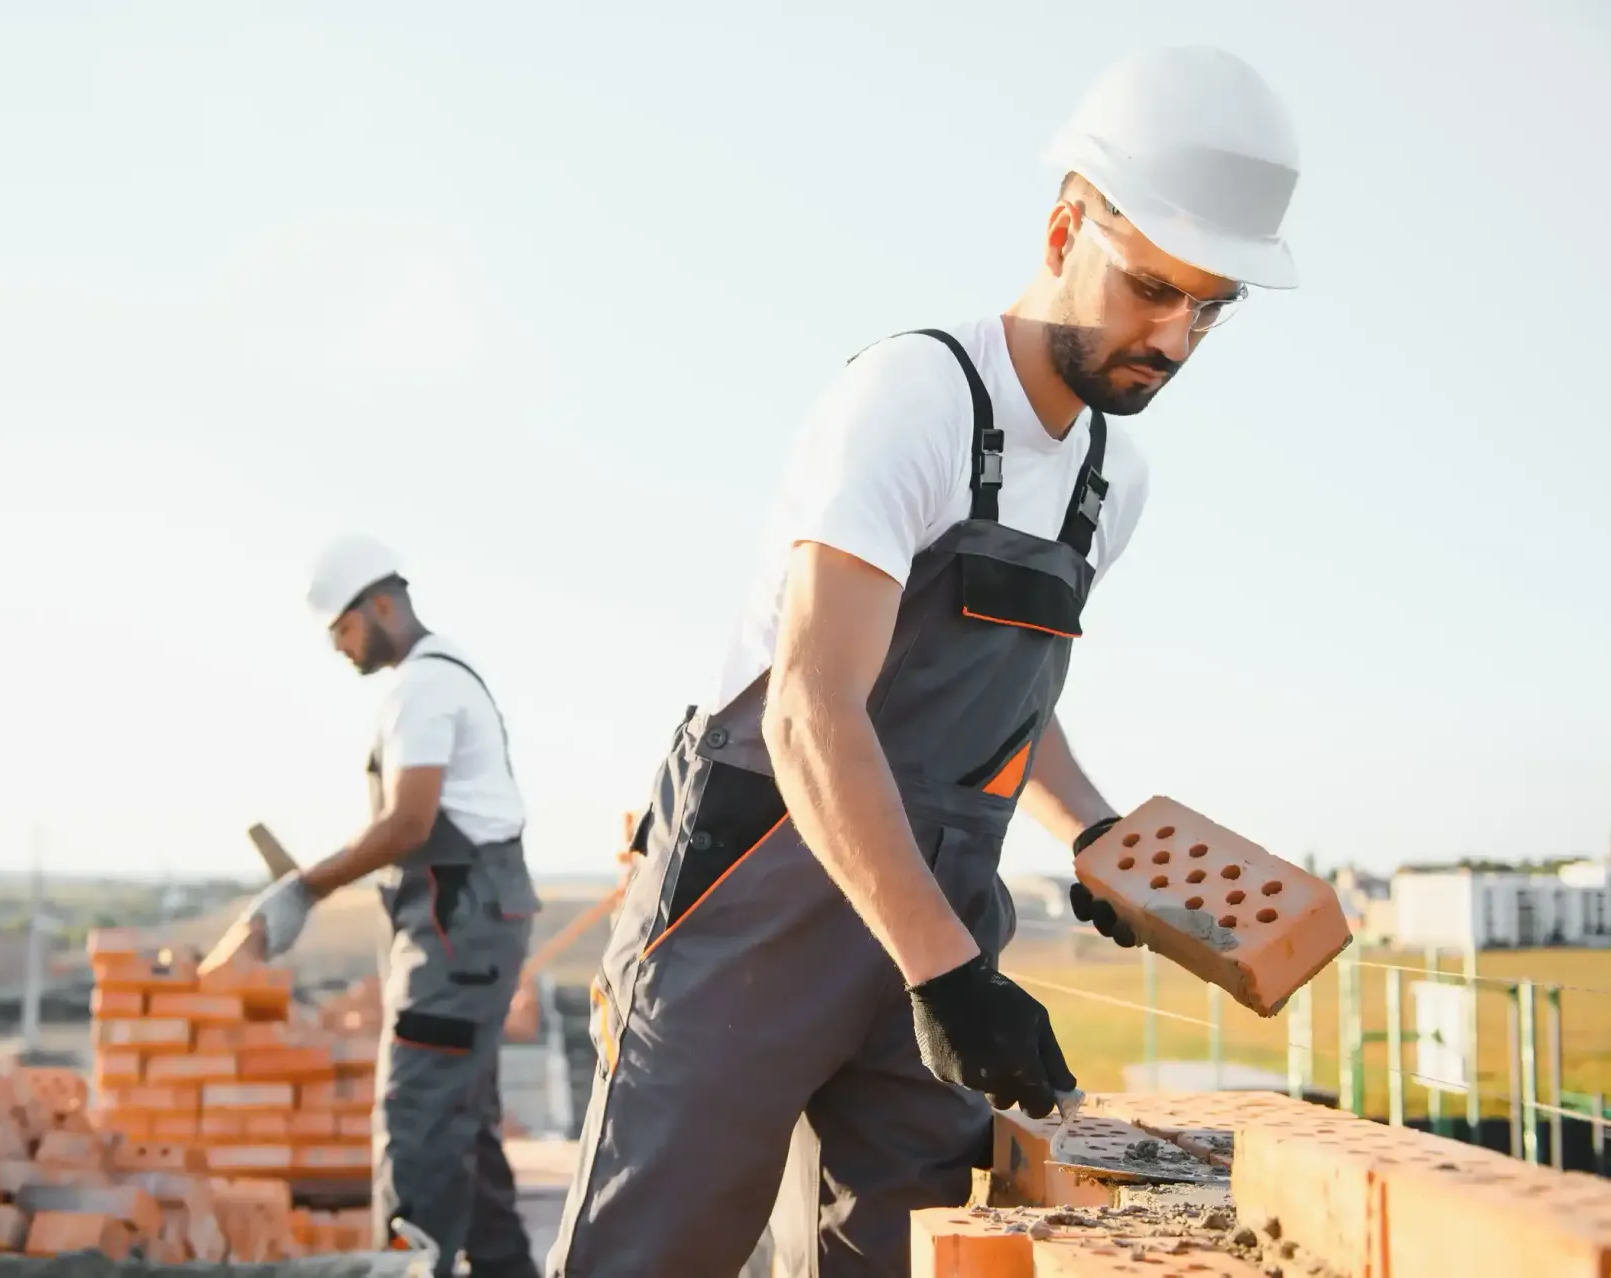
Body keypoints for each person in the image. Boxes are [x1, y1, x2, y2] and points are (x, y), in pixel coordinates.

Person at [546, 44, 1305, 1278]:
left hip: (936, 895)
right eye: (1153, 286)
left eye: (1211, 306)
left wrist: (1094, 837)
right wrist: (950, 979)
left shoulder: (1114, 480)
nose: (1175, 335)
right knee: (654, 1251)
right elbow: (811, 710)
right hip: (760, 885)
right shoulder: (917, 397)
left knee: (901, 1255)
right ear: (1067, 226)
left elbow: (1011, 699)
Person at [203, 533, 541, 1278]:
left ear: (382, 603)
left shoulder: (423, 686)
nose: (339, 647)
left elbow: (408, 824)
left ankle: (404, 1270)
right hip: (470, 932)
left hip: (457, 939)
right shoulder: (446, 673)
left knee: (416, 1123)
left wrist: (304, 888)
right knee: (464, 1124)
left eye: (343, 629)